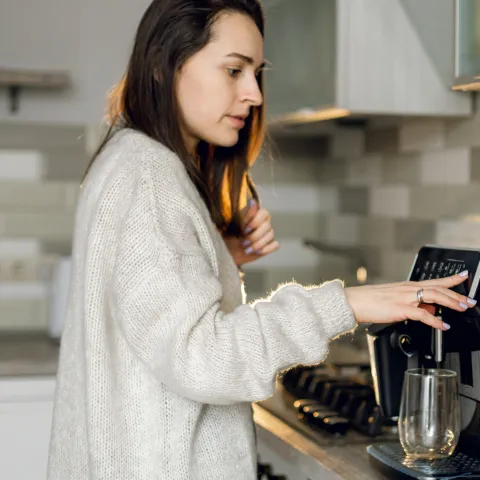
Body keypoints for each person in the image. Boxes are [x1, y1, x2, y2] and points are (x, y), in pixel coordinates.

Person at [47, 1, 476, 479]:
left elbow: (152, 325)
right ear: (161, 66)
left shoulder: (129, 162)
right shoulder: (148, 178)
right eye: (233, 70)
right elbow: (202, 358)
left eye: (256, 73)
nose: (253, 93)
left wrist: (219, 259)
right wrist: (346, 304)